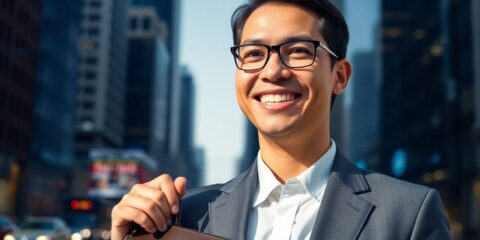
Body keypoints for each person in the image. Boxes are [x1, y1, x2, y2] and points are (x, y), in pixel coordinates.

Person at [111, 0, 452, 239]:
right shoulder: (182, 216)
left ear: (340, 76)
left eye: (299, 51)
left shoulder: (409, 213)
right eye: (254, 54)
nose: (273, 71)